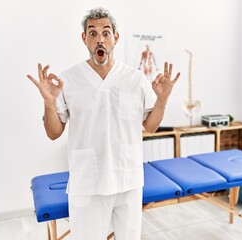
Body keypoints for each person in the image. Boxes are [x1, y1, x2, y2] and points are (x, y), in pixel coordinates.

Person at [27, 7, 180, 240]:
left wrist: (162, 99)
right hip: (88, 182)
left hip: (128, 179)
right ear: (84, 38)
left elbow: (150, 126)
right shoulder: (68, 79)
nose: (100, 39)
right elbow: (53, 133)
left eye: (106, 33)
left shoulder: (134, 78)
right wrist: (49, 102)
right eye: (93, 33)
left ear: (115, 38)